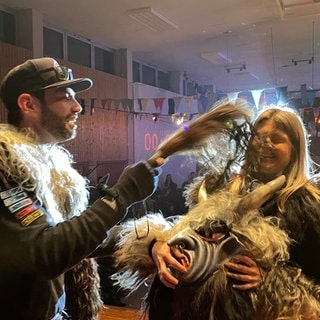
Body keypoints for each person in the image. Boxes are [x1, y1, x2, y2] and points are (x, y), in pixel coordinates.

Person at [113, 103, 320, 318]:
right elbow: (188, 232)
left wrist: (272, 281)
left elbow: (315, 286)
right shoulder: (220, 187)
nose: (264, 144)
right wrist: (156, 245)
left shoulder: (305, 206)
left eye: (277, 139)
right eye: (258, 137)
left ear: (295, 149)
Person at [0, 57, 161, 320]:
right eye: (65, 97)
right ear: (28, 104)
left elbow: (77, 238)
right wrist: (121, 196)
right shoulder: (4, 164)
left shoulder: (50, 168)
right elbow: (45, 252)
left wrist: (147, 239)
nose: (77, 107)